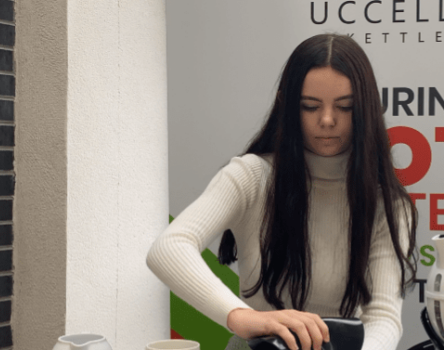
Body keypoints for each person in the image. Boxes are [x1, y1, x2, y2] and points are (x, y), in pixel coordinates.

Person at [147, 33, 418, 350]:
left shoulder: (387, 204)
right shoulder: (252, 177)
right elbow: (168, 248)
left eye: (344, 107)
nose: (327, 120)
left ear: (365, 109)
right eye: (310, 106)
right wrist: (242, 317)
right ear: (287, 105)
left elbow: (384, 318)